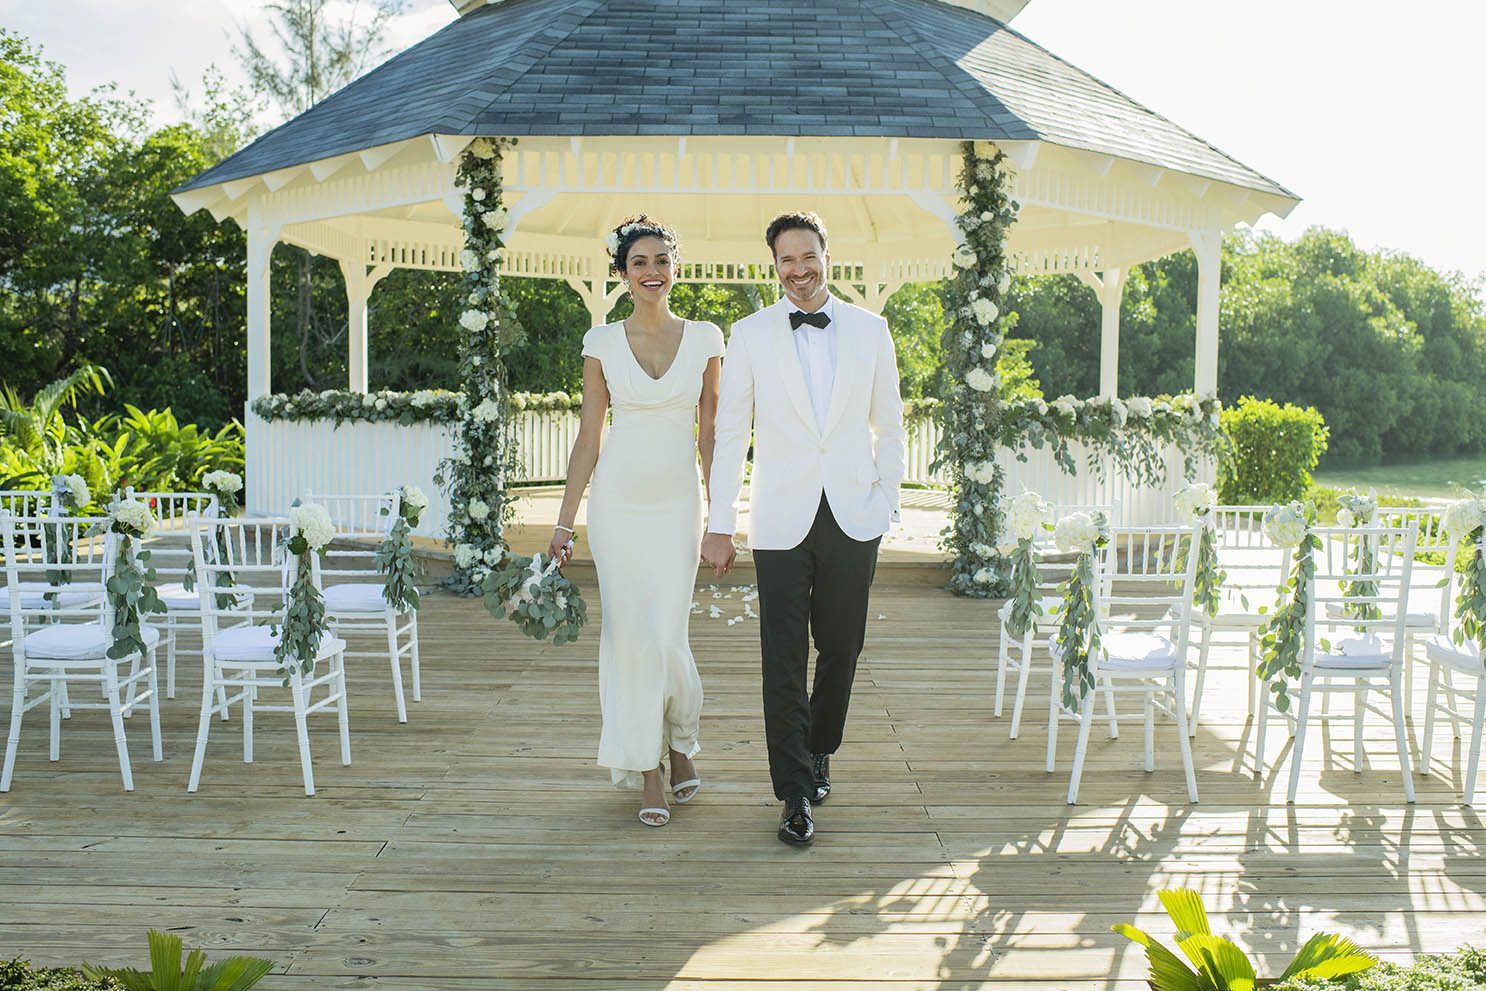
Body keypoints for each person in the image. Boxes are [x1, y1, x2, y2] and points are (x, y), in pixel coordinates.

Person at [701, 211, 906, 845]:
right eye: (786, 260)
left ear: (826, 254)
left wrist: (887, 500)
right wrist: (719, 521)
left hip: (853, 514)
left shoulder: (872, 330)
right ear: (774, 266)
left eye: (807, 256)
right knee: (782, 657)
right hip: (780, 517)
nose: (798, 270)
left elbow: (891, 424)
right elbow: (732, 433)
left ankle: (821, 743)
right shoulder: (750, 334)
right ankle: (793, 792)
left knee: (842, 646)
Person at [547, 215, 725, 827]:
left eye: (661, 261)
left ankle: (681, 743)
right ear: (621, 274)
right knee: (630, 638)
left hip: (678, 506)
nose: (652, 272)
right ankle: (650, 766)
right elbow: (589, 439)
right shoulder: (600, 343)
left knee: (667, 635)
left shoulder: (706, 338)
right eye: (639, 263)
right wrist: (564, 524)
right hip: (618, 506)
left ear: (675, 268)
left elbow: (713, 435)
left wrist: (722, 516)